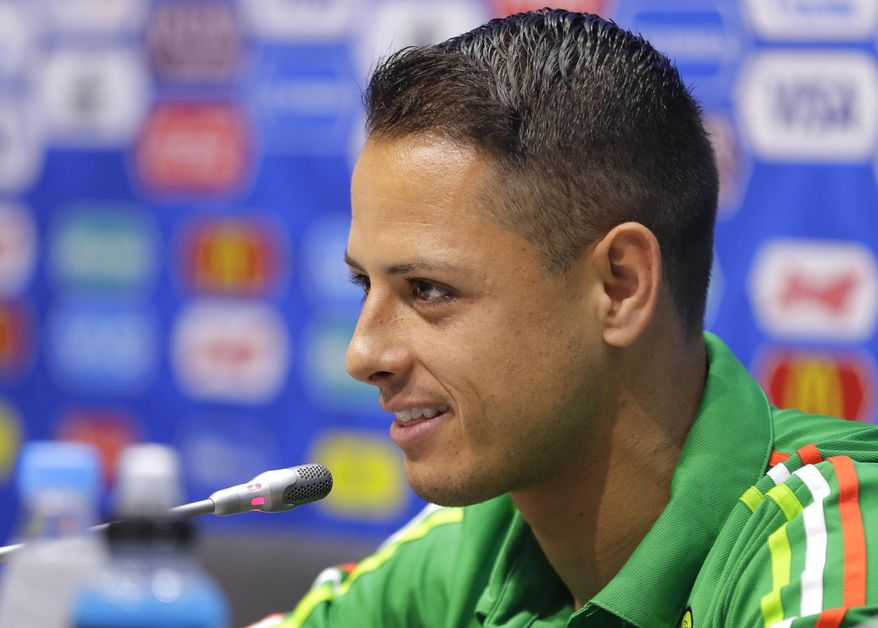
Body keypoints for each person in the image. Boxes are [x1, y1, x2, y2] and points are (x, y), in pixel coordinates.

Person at [256, 9, 878, 627]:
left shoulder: (830, 545)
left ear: (621, 287)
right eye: (364, 284)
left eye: (429, 290)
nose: (362, 356)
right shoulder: (476, 543)